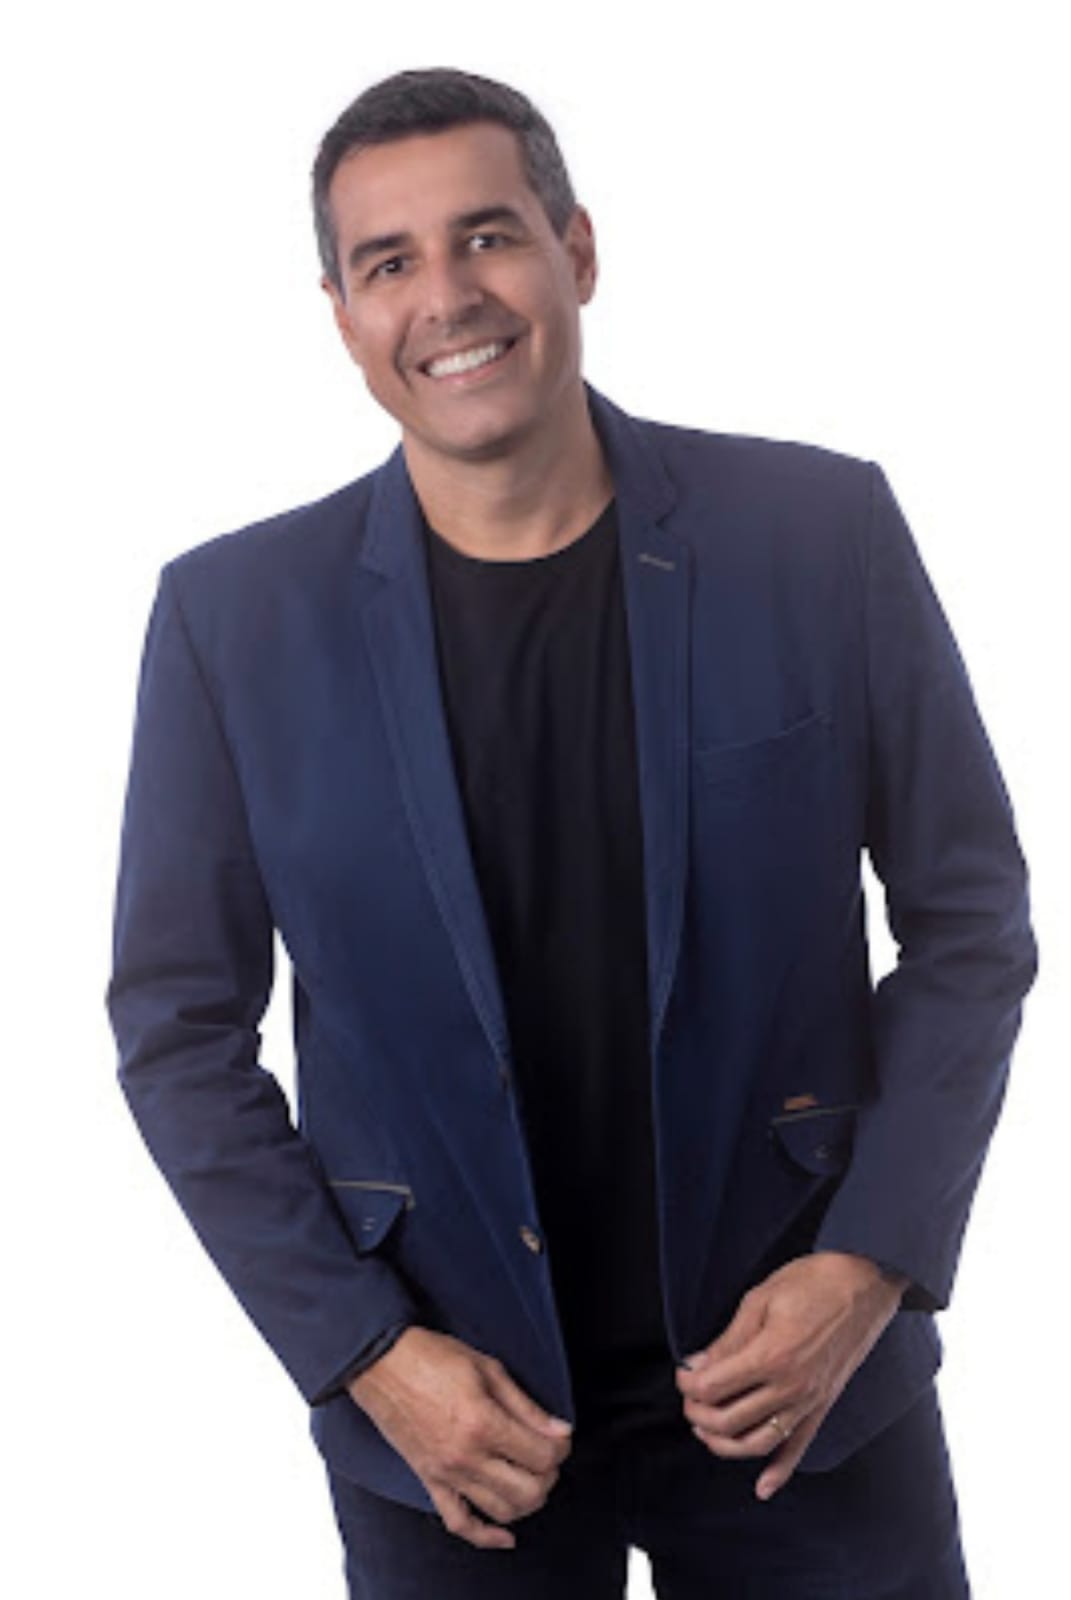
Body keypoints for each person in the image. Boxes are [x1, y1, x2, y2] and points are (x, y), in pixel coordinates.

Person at [106, 65, 1038, 1597]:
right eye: (388, 263)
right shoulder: (231, 622)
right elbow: (176, 1031)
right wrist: (364, 1352)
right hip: (453, 1423)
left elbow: (970, 919)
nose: (446, 297)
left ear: (577, 251)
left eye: (488, 236)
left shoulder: (820, 536)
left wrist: (871, 1260)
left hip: (803, 1384)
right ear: (342, 315)